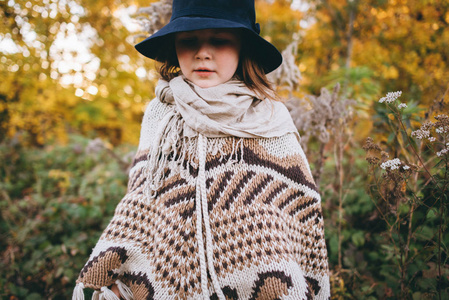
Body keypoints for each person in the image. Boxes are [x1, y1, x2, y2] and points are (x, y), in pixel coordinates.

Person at [72, 0, 330, 299]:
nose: (202, 52)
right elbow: (142, 205)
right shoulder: (160, 115)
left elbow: (297, 217)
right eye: (189, 40)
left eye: (220, 40)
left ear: (242, 48)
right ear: (175, 48)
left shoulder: (271, 120)